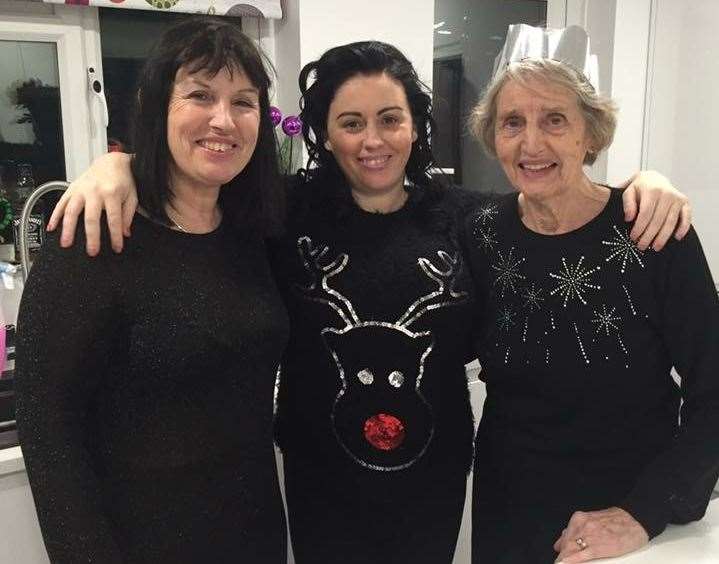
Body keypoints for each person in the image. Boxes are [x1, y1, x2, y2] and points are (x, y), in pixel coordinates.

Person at [46, 42, 691, 563]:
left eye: (390, 119)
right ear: (324, 134)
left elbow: (558, 214)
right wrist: (118, 166)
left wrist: (644, 185)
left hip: (431, 489)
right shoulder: (281, 213)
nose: (372, 140)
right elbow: (199, 186)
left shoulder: (469, 220)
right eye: (350, 123)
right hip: (319, 491)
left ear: (416, 126)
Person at [15, 17, 288, 564]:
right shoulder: (92, 236)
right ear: (156, 106)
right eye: (200, 95)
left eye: (244, 101)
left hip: (253, 534)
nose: (223, 119)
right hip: (139, 540)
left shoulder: (255, 232)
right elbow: (48, 429)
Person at [465, 57, 719, 564]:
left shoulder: (651, 231)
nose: (531, 144)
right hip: (508, 510)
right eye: (513, 122)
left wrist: (643, 512)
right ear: (493, 137)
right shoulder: (478, 231)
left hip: (629, 514)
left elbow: (714, 390)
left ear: (591, 133)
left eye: (554, 120)